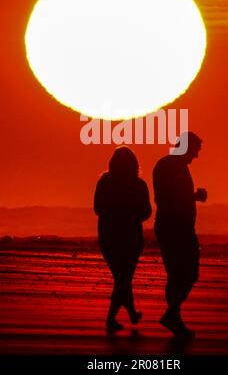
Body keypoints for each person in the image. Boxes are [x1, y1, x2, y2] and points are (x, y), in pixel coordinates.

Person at [153, 131, 207, 337]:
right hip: (173, 228)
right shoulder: (167, 166)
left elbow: (174, 197)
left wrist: (193, 197)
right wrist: (192, 197)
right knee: (182, 273)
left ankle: (173, 314)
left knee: (185, 273)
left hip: (180, 228)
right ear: (186, 147)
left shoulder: (176, 166)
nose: (196, 156)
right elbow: (164, 199)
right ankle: (173, 315)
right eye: (195, 150)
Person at [94, 146, 152, 331]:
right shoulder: (139, 185)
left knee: (123, 278)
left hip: (109, 237)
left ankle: (131, 312)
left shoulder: (105, 182)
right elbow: (146, 213)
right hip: (131, 238)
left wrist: (114, 213)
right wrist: (129, 214)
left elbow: (98, 209)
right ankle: (113, 317)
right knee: (123, 278)